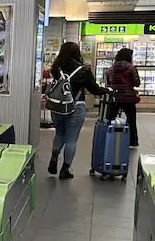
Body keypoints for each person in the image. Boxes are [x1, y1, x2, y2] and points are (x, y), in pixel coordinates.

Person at [48, 41, 110, 179]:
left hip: (58, 105)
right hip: (76, 106)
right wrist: (107, 90)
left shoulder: (56, 68)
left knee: (59, 133)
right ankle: (65, 169)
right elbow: (95, 89)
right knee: (71, 139)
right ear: (77, 53)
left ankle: (53, 158)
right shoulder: (83, 70)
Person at [107, 47, 140, 147]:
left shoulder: (111, 68)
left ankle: (109, 138)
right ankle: (133, 141)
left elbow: (108, 83)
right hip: (128, 98)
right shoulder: (131, 67)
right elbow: (137, 83)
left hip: (115, 97)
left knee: (111, 119)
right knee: (131, 120)